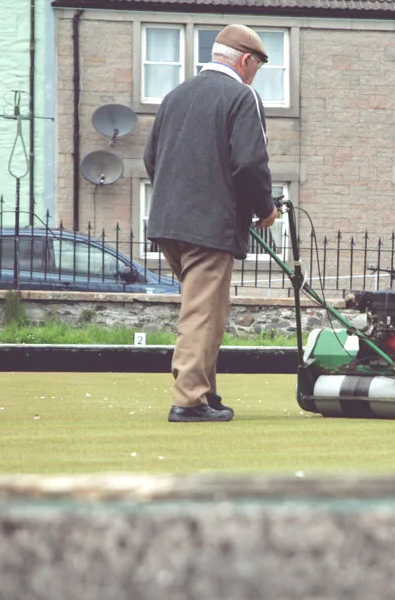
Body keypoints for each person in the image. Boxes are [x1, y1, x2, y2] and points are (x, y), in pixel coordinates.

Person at [144, 24, 279, 423]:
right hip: (210, 226)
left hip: (168, 221)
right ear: (245, 60)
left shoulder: (175, 95)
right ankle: (188, 400)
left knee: (208, 308)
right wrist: (265, 209)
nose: (255, 73)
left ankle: (206, 391)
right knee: (203, 312)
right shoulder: (242, 96)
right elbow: (250, 163)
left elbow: (152, 159)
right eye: (257, 65)